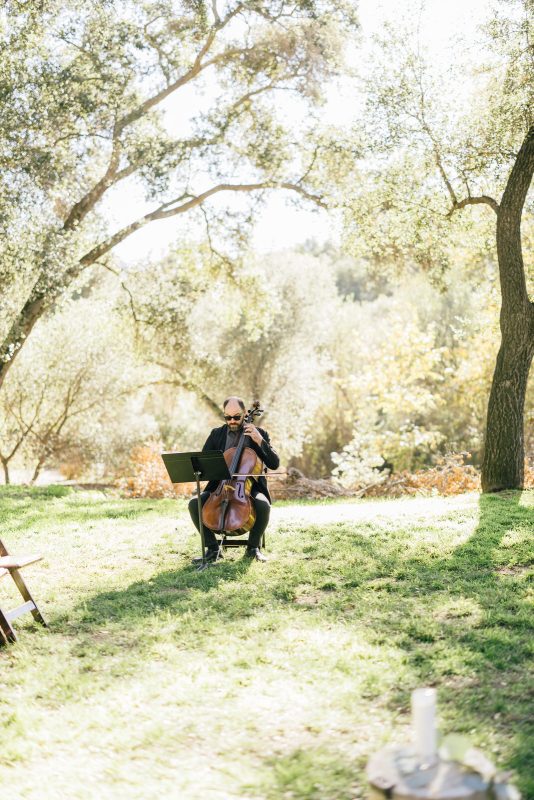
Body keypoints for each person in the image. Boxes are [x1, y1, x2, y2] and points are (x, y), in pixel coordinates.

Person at [188, 396, 279, 563]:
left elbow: (274, 463)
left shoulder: (259, 434)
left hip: (249, 487)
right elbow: (204, 462)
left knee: (263, 505)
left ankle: (253, 548)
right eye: (228, 417)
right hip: (219, 486)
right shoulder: (217, 434)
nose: (232, 421)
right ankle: (213, 549)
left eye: (236, 417)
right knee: (195, 503)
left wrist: (259, 440)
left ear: (245, 414)